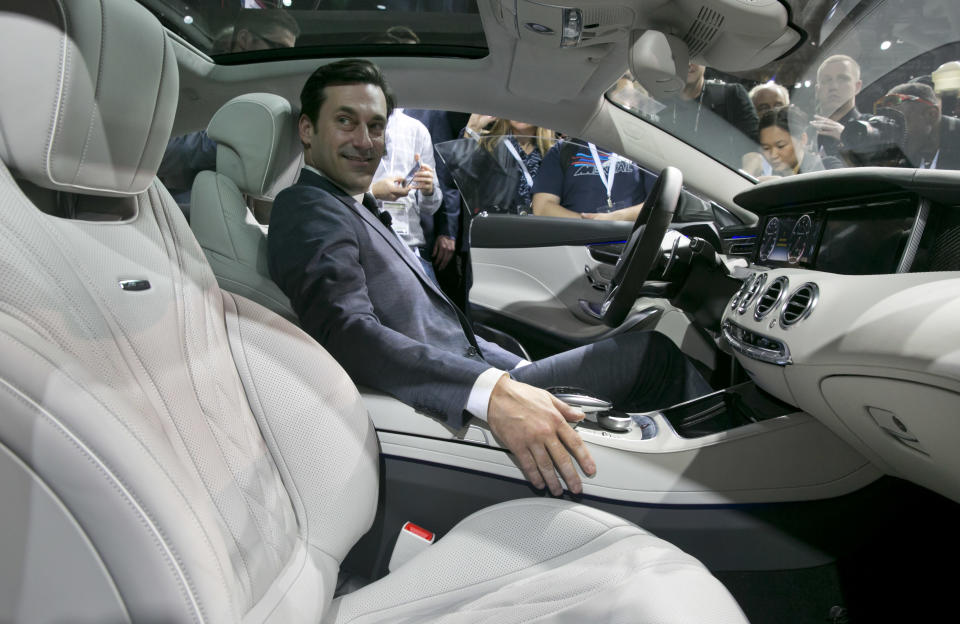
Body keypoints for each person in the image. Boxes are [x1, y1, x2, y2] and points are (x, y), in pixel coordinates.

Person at [267, 59, 713, 496]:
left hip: (475, 371)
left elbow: (434, 325)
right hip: (447, 398)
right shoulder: (308, 208)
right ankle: (716, 486)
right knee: (651, 357)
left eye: (376, 126)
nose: (365, 141)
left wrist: (513, 369)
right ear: (307, 130)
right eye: (346, 122)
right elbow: (346, 331)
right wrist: (490, 390)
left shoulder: (348, 204)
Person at [157, 9, 299, 210]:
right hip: (178, 207)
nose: (284, 59)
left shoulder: (268, 97)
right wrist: (232, 142)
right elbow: (162, 151)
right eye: (279, 47)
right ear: (245, 39)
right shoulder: (194, 81)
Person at [370, 109, 440, 279]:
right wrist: (373, 192)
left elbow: (430, 207)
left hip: (410, 247)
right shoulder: (359, 129)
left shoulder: (417, 130)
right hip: (369, 242)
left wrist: (428, 190)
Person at [439, 116, 556, 216]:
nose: (521, 112)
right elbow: (451, 180)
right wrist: (471, 130)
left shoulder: (555, 153)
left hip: (539, 234)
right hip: (493, 233)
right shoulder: (486, 145)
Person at [660, 63, 759, 167]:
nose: (688, 64)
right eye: (682, 56)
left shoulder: (732, 96)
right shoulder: (657, 98)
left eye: (694, 57)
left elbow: (753, 154)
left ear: (705, 62)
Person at [531, 140, 649, 221]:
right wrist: (589, 223)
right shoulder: (564, 149)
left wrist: (615, 218)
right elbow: (542, 207)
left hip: (632, 242)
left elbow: (659, 204)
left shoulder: (639, 147)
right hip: (578, 243)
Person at [879, 82, 960, 170]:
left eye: (900, 122)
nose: (894, 132)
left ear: (931, 115)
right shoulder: (908, 157)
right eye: (891, 124)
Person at [808, 55, 869, 158]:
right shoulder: (807, 135)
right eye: (826, 81)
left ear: (857, 87)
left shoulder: (872, 129)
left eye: (843, 79)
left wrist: (847, 137)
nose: (834, 87)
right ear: (818, 91)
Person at [757, 105, 841, 177]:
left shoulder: (827, 167)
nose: (773, 155)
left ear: (803, 139)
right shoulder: (761, 176)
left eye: (781, 146)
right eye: (766, 148)